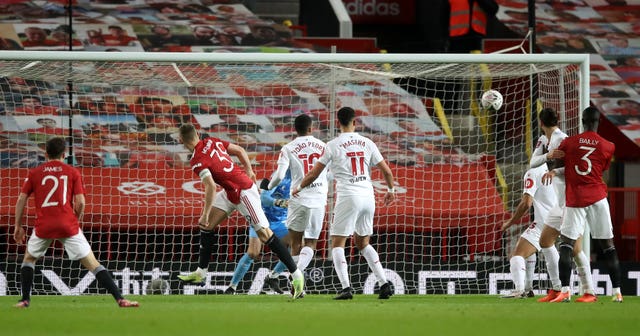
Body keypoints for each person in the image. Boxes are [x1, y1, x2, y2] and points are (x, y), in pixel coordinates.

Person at [176, 124, 304, 299]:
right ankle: (201, 271)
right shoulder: (212, 141)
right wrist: (249, 169)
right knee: (207, 226)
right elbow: (239, 150)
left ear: (180, 140)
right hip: (231, 192)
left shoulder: (197, 160)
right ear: (197, 134)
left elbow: (211, 186)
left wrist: (205, 213)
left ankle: (296, 275)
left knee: (265, 236)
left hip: (244, 192)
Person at [12, 137, 138, 308]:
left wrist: (18, 226)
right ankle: (120, 299)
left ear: (46, 153)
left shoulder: (34, 173)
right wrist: (75, 221)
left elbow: (21, 199)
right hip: (68, 224)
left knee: (29, 259)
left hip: (44, 226)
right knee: (94, 264)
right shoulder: (72, 172)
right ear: (64, 154)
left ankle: (25, 299)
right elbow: (81, 202)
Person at [292, 107, 395, 300]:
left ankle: (346, 288)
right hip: (368, 196)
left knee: (338, 243)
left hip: (349, 196)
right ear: (355, 122)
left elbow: (314, 174)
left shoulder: (332, 145)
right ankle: (384, 283)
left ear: (338, 122)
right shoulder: (367, 142)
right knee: (363, 242)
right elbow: (387, 171)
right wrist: (390, 191)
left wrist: (298, 188)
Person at [546, 106, 623, 303]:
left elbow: (556, 162)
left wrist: (553, 170)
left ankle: (565, 291)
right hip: (598, 197)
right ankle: (617, 293)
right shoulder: (608, 146)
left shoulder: (569, 142)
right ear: (600, 122)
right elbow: (602, 169)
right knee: (608, 246)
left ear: (581, 120)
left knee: (566, 245)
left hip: (576, 198)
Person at [529, 108, 596, 303]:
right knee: (545, 242)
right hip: (559, 203)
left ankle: (589, 291)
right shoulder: (544, 141)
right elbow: (533, 162)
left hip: (572, 200)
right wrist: (548, 156)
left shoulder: (564, 139)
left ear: (540, 122)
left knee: (575, 248)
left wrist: (555, 171)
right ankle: (557, 288)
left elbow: (576, 168)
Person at [265, 114, 329, 288]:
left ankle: (296, 278)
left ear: (295, 129)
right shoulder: (324, 146)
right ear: (311, 128)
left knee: (295, 243)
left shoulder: (288, 148)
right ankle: (297, 277)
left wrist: (268, 187)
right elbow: (329, 174)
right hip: (318, 198)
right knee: (310, 243)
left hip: (298, 198)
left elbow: (279, 176)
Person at [223, 171, 292, 295]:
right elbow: (264, 198)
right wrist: (281, 203)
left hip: (281, 221)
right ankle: (232, 286)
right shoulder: (278, 176)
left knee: (297, 246)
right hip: (262, 218)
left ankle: (273, 276)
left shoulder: (303, 178)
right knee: (253, 252)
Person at [500, 165, 557, 298]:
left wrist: (510, 222)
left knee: (517, 255)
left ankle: (519, 290)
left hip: (544, 223)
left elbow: (526, 203)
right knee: (532, 250)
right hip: (564, 218)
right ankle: (530, 288)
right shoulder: (560, 171)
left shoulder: (533, 172)